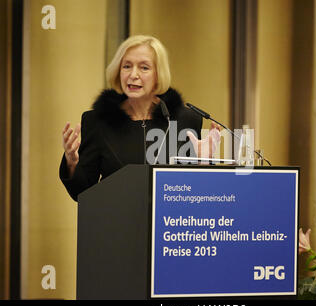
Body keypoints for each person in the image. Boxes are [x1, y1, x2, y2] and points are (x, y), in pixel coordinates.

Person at [60, 35, 220, 201]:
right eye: (127, 66)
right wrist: (72, 163)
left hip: (168, 223)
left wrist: (203, 163)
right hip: (116, 223)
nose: (133, 75)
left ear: (159, 75)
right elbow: (82, 194)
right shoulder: (97, 121)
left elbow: (195, 194)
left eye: (144, 68)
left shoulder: (185, 120)